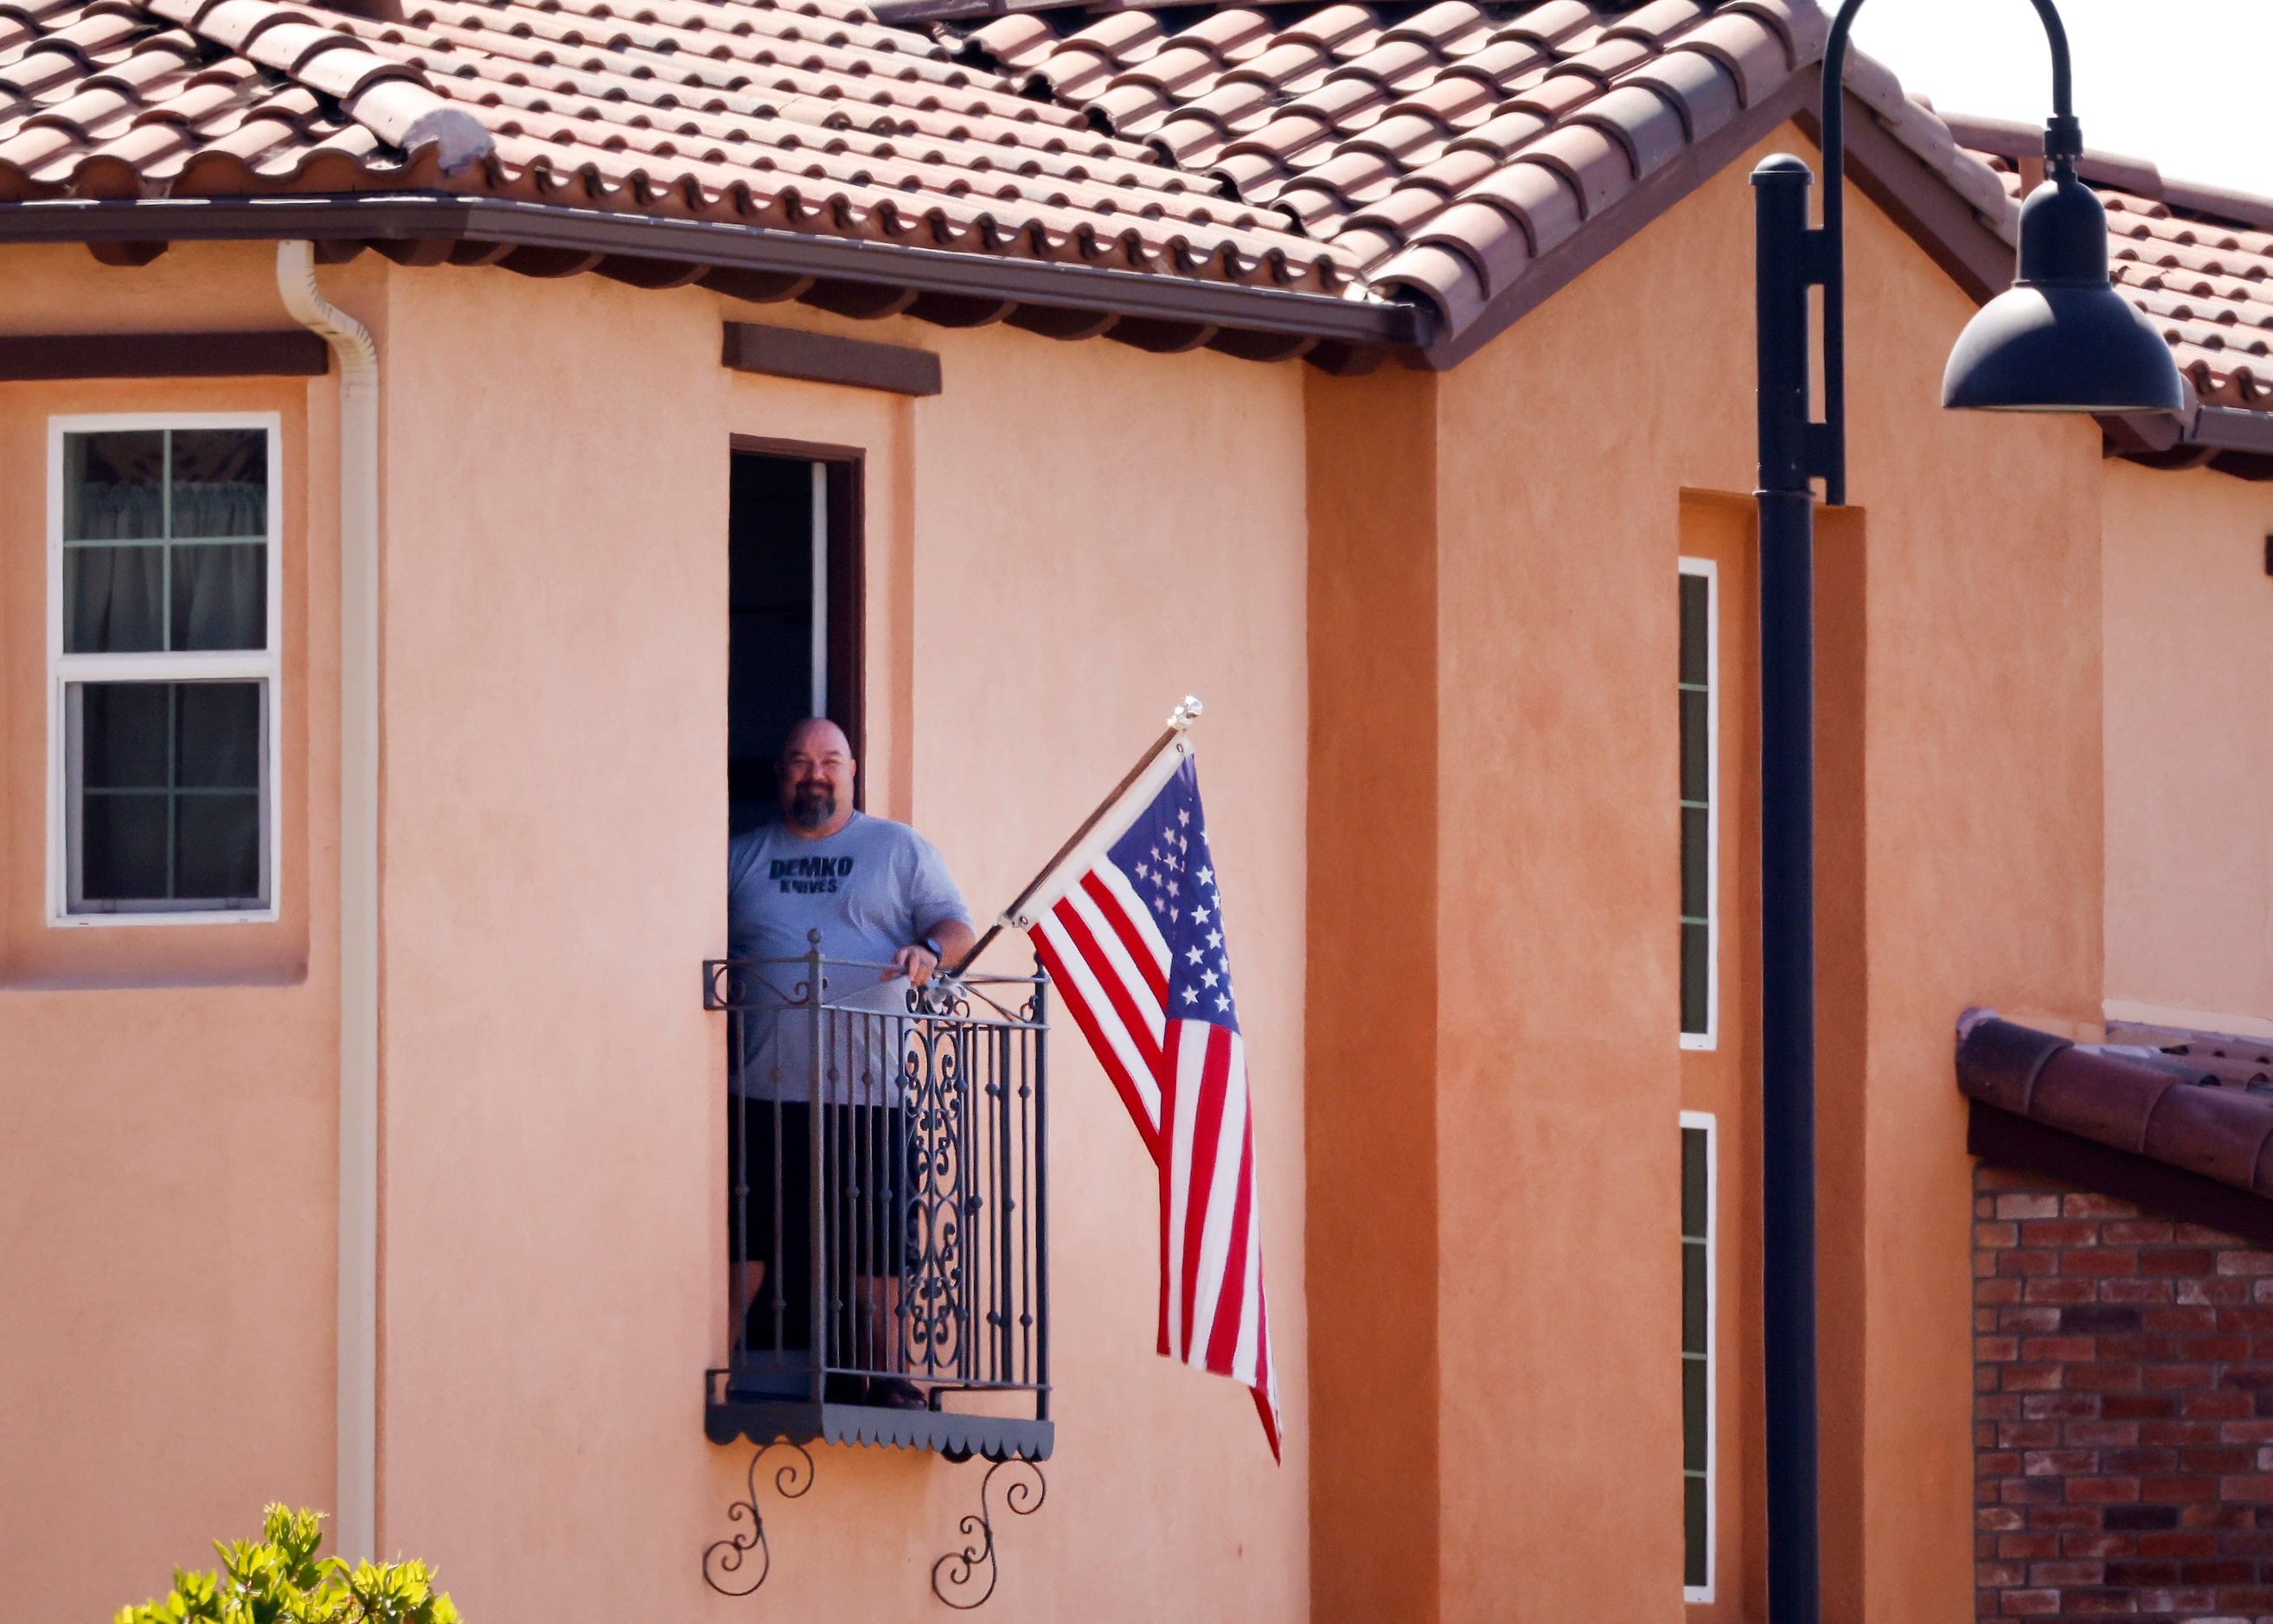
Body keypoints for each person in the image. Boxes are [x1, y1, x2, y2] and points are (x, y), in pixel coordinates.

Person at [726, 718, 976, 1409]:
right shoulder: (738, 858)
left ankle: (886, 1383)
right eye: (801, 760)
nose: (816, 773)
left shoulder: (897, 849)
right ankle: (715, 1370)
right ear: (781, 772)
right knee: (745, 1238)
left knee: (876, 1244)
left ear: (852, 770)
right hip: (761, 1087)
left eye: (830, 761)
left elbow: (958, 927)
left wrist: (928, 949)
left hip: (870, 1092)